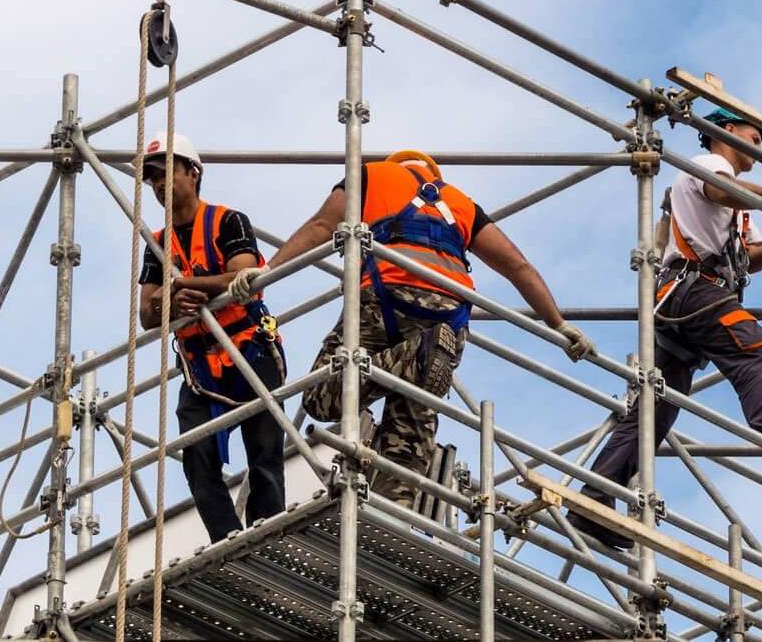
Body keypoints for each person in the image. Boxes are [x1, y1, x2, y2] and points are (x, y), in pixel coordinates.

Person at [231, 150, 593, 511]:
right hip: (449, 318)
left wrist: (267, 273)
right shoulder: (461, 204)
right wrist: (558, 325)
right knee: (407, 441)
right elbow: (518, 265)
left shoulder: (371, 176)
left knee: (319, 396)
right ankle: (393, 517)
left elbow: (322, 227)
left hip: (386, 298)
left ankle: (417, 357)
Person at [568, 106, 762, 549]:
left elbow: (752, 257)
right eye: (752, 137)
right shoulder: (710, 166)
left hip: (687, 298)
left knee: (656, 408)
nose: (756, 146)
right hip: (693, 290)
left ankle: (594, 498)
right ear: (724, 131)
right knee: (754, 348)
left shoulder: (740, 205)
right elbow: (722, 192)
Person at [137, 133, 287, 542]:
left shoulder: (228, 221)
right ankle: (226, 539)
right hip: (200, 364)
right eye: (151, 179)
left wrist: (188, 284)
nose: (158, 185)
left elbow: (245, 277)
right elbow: (147, 315)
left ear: (193, 172)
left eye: (166, 173)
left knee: (264, 451)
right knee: (198, 457)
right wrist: (171, 299)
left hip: (248, 348)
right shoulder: (157, 242)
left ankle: (268, 536)